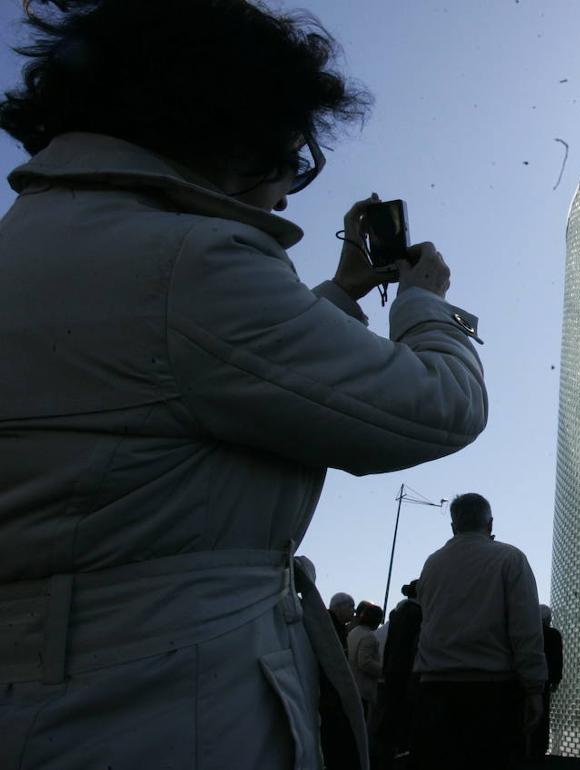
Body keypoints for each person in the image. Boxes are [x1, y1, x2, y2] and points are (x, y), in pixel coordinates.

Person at [0, 2, 488, 768]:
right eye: (292, 160)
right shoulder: (189, 264)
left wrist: (341, 295)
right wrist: (424, 302)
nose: (288, 195)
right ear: (230, 127)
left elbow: (209, 371)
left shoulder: (56, 237)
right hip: (157, 714)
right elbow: (439, 407)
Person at [413, 493, 547, 769]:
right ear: (490, 523)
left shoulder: (431, 564)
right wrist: (534, 688)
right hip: (492, 690)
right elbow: (526, 629)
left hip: (434, 688)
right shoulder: (510, 559)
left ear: (453, 526)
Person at [376, 580, 422, 769]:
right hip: (407, 673)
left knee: (390, 717)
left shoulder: (397, 614)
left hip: (392, 671)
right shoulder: (417, 614)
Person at [528, 604, 564, 760]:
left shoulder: (530, 633)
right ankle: (540, 747)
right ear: (548, 619)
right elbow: (557, 659)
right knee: (543, 713)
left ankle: (527, 745)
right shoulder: (554, 635)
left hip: (528, 677)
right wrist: (556, 680)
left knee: (527, 711)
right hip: (545, 679)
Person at [348, 602, 385, 718]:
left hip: (352, 683)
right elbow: (365, 662)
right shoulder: (369, 637)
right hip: (363, 687)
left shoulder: (353, 632)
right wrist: (383, 671)